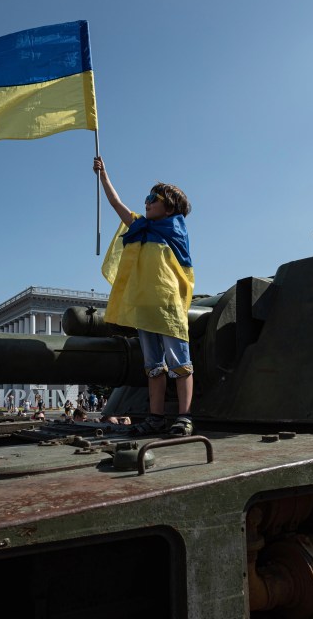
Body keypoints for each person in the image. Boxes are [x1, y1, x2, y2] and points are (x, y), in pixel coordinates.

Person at [94, 156, 195, 437]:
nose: (147, 202)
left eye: (153, 198)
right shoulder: (141, 226)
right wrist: (104, 176)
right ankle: (156, 416)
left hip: (168, 307)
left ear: (169, 206)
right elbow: (116, 205)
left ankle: (184, 416)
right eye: (146, 197)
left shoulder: (174, 229)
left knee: (180, 362)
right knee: (153, 367)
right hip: (145, 308)